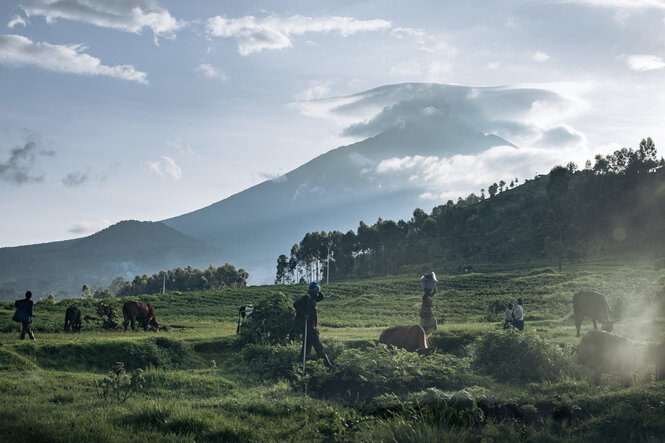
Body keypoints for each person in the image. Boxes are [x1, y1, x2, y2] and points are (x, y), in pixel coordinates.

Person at [293, 282, 334, 368]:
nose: (318, 294)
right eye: (317, 292)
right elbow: (296, 303)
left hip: (310, 328)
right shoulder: (306, 297)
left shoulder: (313, 299)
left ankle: (297, 365)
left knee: (306, 350)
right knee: (319, 348)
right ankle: (328, 365)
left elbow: (322, 297)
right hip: (310, 329)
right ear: (313, 291)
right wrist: (304, 314)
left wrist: (318, 291)